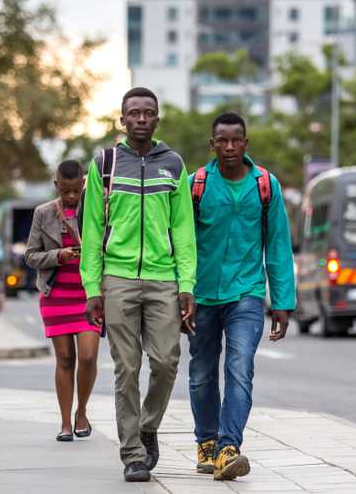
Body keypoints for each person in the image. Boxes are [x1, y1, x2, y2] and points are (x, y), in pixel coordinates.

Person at [83, 87, 197, 483]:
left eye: (149, 113)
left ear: (157, 120)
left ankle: (148, 426)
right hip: (116, 279)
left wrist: (187, 284)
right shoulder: (106, 164)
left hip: (164, 278)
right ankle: (132, 452)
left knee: (166, 361)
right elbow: (93, 228)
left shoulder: (174, 165)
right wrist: (92, 289)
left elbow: (183, 230)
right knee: (126, 368)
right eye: (134, 113)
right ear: (123, 120)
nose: (142, 119)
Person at [188, 112, 296, 481]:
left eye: (237, 140)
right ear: (212, 144)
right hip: (201, 295)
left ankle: (228, 446)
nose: (230, 146)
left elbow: (278, 244)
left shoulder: (265, 185)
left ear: (246, 144)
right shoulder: (195, 186)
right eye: (222, 140)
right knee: (202, 373)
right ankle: (206, 441)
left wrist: (282, 301)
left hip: (247, 294)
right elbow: (180, 245)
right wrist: (180, 292)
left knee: (240, 368)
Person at [26, 160, 102, 443]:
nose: (71, 197)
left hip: (89, 296)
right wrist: (59, 256)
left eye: (76, 191)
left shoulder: (96, 209)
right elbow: (30, 256)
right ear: (57, 185)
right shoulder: (43, 213)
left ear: (84, 184)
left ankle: (82, 411)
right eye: (65, 191)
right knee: (65, 358)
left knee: (88, 356)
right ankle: (65, 422)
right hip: (56, 297)